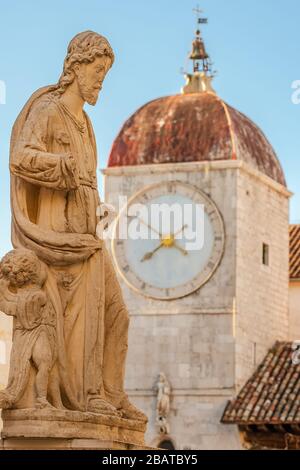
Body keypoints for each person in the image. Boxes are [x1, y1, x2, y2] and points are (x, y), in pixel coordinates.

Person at [9, 31, 146, 421]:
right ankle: (88, 396)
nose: (101, 79)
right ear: (75, 66)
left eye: (105, 72)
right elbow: (20, 157)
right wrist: (62, 168)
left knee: (116, 313)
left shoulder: (85, 122)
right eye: (97, 70)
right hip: (59, 232)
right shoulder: (49, 109)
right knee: (83, 315)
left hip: (87, 233)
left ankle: (112, 393)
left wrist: (98, 206)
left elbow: (87, 178)